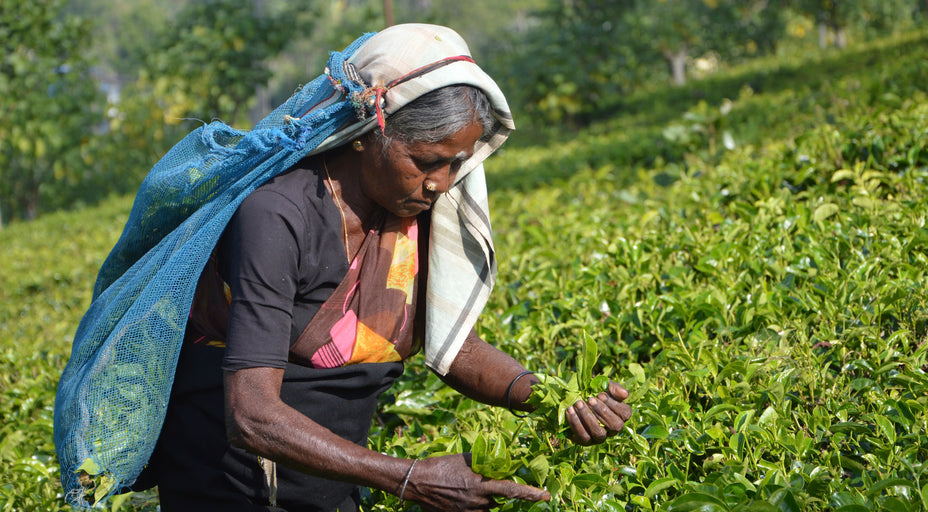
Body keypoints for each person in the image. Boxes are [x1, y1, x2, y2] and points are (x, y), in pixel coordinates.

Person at [140, 24, 632, 511]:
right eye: (424, 161)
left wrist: (557, 401)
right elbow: (251, 414)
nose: (440, 183)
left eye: (455, 164)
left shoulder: (413, 207)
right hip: (230, 483)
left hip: (334, 477)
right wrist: (411, 478)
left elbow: (453, 344)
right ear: (367, 134)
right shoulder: (278, 215)